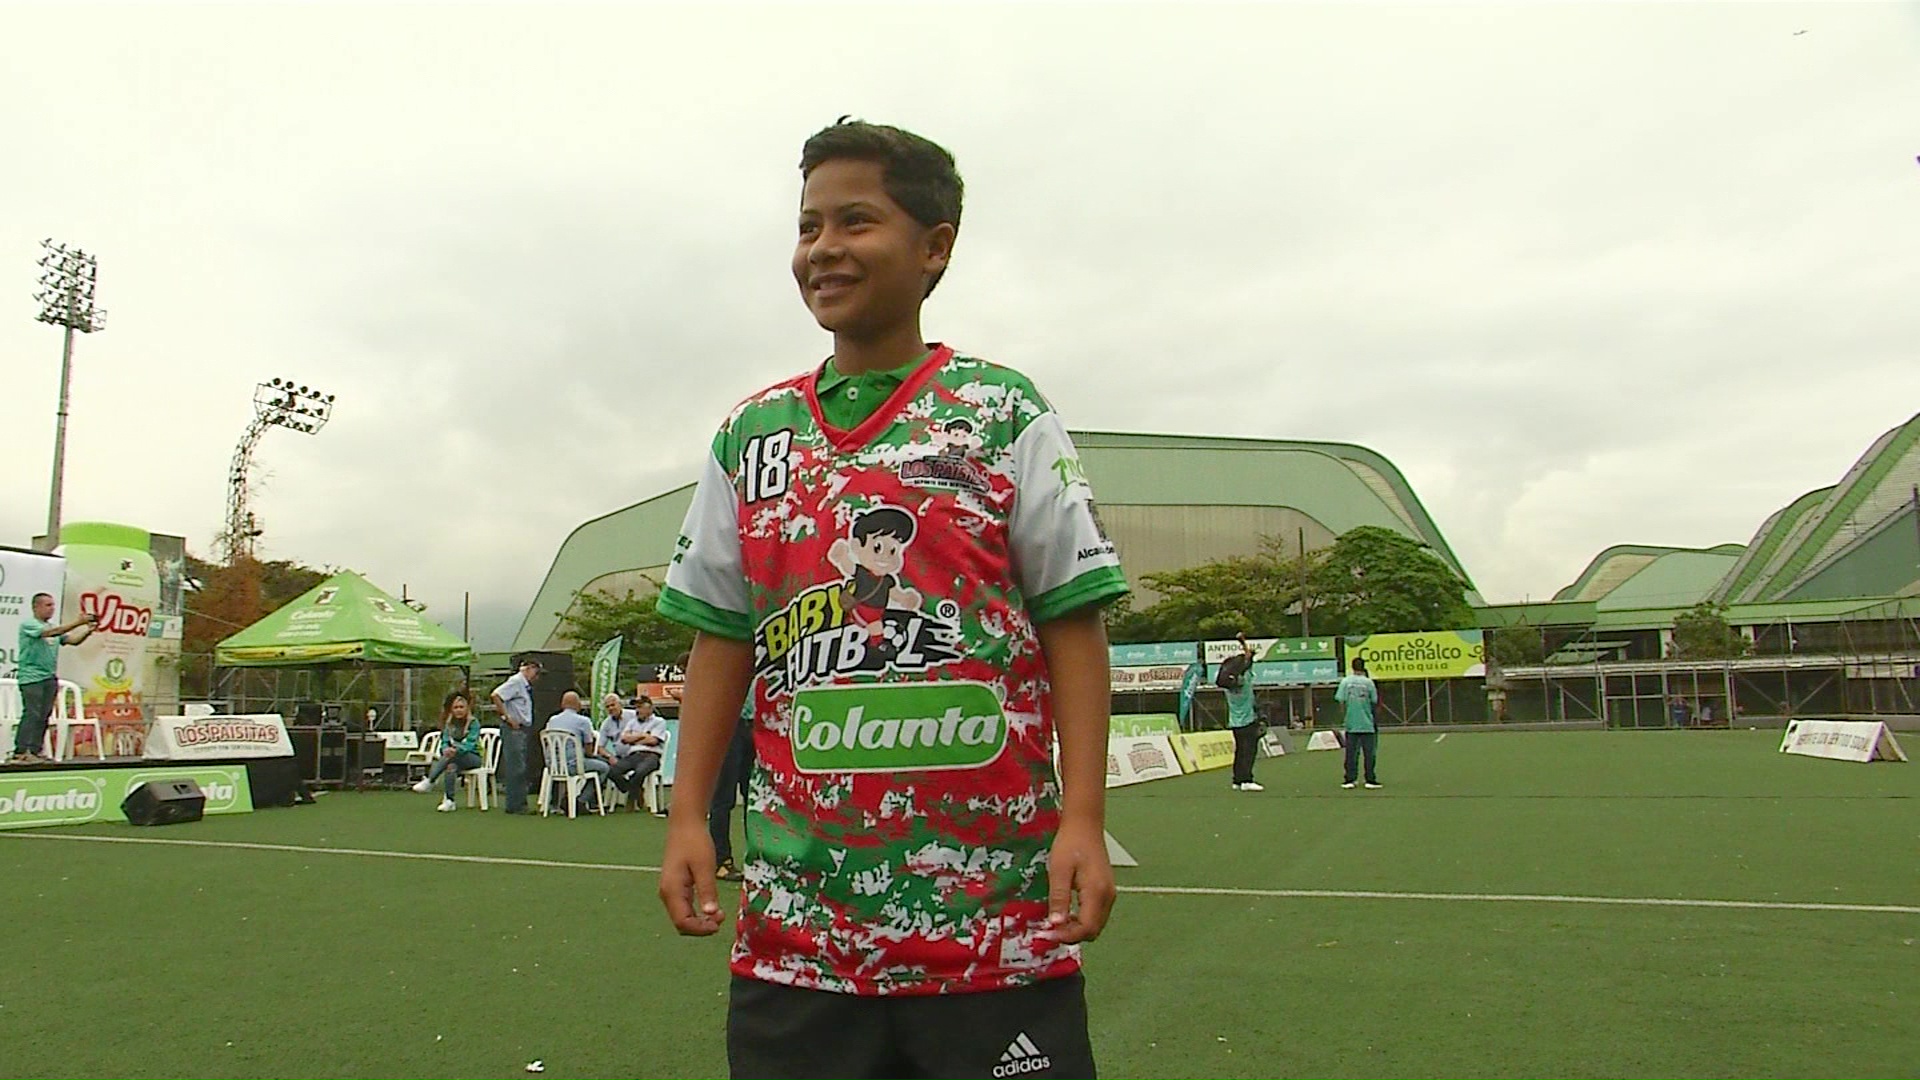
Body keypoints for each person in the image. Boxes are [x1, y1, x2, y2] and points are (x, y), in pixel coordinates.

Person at [654, 118, 1128, 1080]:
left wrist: (1081, 818)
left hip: (995, 930)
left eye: (855, 220)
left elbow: (1073, 625)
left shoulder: (1005, 415)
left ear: (935, 245)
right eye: (808, 226)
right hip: (798, 938)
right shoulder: (751, 437)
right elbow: (721, 641)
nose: (823, 249)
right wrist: (686, 819)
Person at [9, 594, 96, 765]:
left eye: (53, 605)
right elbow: (51, 633)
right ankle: (20, 752)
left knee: (44, 715)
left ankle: (34, 750)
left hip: (49, 677)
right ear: (36, 607)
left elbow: (72, 640)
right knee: (32, 713)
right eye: (48, 605)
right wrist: (78, 622)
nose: (52, 608)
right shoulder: (30, 625)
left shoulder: (53, 627)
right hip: (31, 677)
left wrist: (88, 630)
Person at [412, 690, 483, 811]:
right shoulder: (449, 724)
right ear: (451, 710)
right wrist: (445, 749)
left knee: (451, 756)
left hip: (472, 757)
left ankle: (430, 780)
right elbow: (444, 741)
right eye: (456, 707)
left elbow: (470, 744)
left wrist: (456, 749)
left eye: (461, 707)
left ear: (467, 708)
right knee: (451, 767)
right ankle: (450, 801)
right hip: (453, 757)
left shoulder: (473, 723)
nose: (459, 710)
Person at [544, 690, 612, 812]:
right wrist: (590, 755)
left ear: (562, 704)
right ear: (578, 704)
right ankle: (581, 800)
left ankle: (555, 802)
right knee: (603, 768)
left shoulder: (552, 720)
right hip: (573, 765)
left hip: (553, 765)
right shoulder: (583, 721)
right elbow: (588, 746)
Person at [708, 700, 753, 881]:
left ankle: (759, 859)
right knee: (724, 797)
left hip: (756, 725)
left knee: (754, 797)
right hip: (727, 724)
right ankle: (721, 861)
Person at [490, 659, 540, 814]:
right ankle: (517, 805)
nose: (537, 678)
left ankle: (517, 803)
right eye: (536, 673)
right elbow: (496, 695)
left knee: (519, 766)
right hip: (514, 730)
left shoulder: (522, 685)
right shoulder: (516, 681)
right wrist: (507, 717)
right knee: (517, 767)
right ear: (529, 669)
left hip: (521, 729)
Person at [602, 693, 668, 807]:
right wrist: (643, 735)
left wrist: (634, 739)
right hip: (633, 755)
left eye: (640, 707)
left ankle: (632, 798)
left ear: (650, 708)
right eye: (636, 707)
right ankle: (634, 791)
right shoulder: (632, 722)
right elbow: (624, 739)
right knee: (612, 771)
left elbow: (653, 741)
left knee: (640, 772)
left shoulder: (659, 721)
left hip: (651, 755)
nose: (638, 710)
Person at [1222, 633, 1262, 792]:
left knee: (1240, 750)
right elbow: (1247, 660)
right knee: (1249, 751)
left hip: (1234, 722)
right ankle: (1247, 779)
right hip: (1248, 720)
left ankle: (1237, 780)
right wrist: (1243, 641)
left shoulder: (1229, 687)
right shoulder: (1245, 681)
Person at [1334, 657, 1381, 789]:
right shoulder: (1369, 683)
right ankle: (1370, 779)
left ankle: (1350, 779)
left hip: (1351, 723)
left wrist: (1345, 716)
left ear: (1352, 667)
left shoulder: (1345, 682)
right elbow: (1374, 701)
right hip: (1367, 724)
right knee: (1369, 753)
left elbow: (1341, 701)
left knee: (1351, 753)